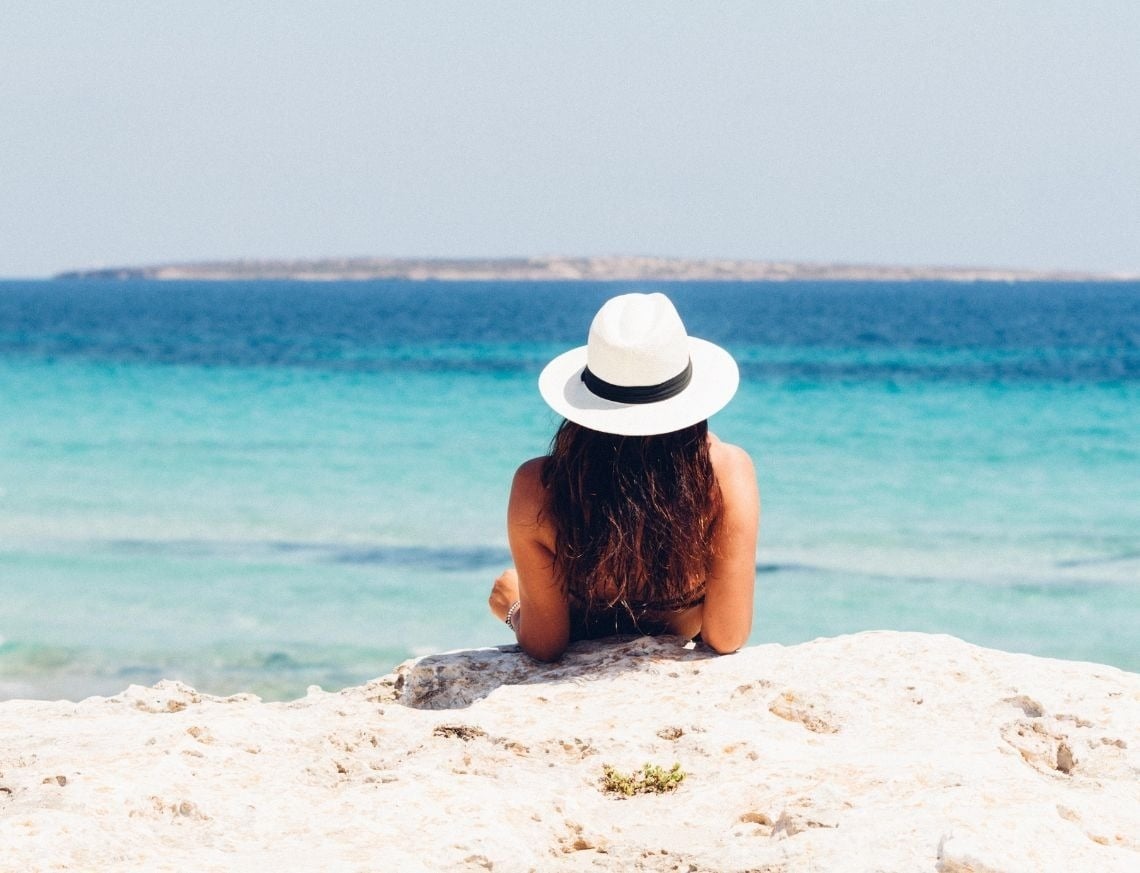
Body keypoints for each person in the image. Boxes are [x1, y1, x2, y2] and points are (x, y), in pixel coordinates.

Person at [488, 292, 760, 661]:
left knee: (507, 584)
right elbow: (727, 636)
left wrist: (512, 606)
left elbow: (546, 645)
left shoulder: (539, 485)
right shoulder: (727, 472)